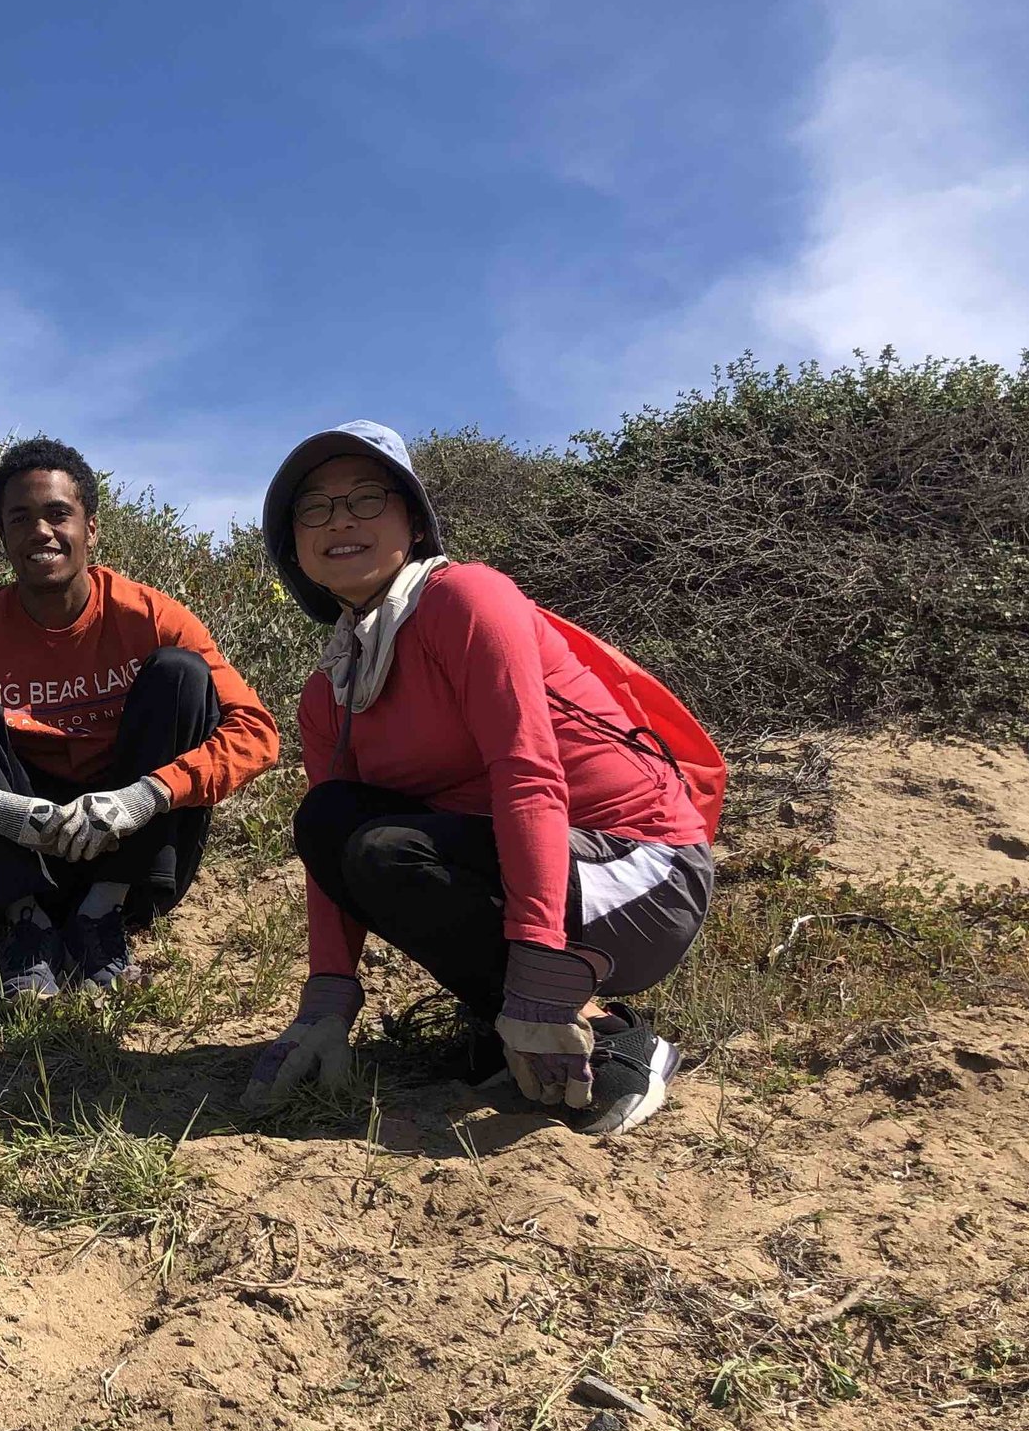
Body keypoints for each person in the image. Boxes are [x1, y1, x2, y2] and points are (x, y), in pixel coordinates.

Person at [244, 419, 718, 1136]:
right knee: (331, 820)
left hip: (645, 866)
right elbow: (328, 860)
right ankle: (516, 1020)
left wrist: (535, 971)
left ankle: (616, 1039)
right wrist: (326, 1001)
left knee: (385, 850)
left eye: (367, 498)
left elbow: (528, 777)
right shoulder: (332, 689)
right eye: (314, 506)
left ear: (414, 519)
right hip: (534, 866)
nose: (339, 519)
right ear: (295, 546)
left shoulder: (466, 599)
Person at [0, 438, 279, 997]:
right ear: (3, 538)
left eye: (58, 514)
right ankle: (31, 923)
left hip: (133, 853)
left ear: (91, 529)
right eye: (20, 518)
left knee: (181, 675)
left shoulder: (149, 614)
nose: (41, 532)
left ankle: (104, 914)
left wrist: (145, 796)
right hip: (24, 850)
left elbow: (256, 732)